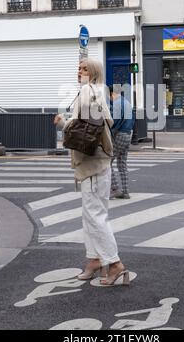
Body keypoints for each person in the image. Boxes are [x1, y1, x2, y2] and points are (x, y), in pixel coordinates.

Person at [54, 59, 130, 286]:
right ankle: (95, 259)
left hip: (92, 165)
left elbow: (86, 130)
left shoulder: (88, 91)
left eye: (84, 69)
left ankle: (115, 264)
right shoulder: (97, 92)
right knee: (92, 215)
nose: (79, 72)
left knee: (95, 216)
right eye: (78, 68)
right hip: (98, 164)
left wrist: (63, 124)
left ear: (93, 72)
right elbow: (97, 123)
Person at [109, 85, 135, 200]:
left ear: (111, 93)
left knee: (106, 161)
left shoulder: (117, 103)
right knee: (122, 164)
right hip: (128, 134)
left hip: (119, 134)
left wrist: (110, 133)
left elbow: (114, 122)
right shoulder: (126, 102)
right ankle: (125, 191)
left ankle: (114, 188)